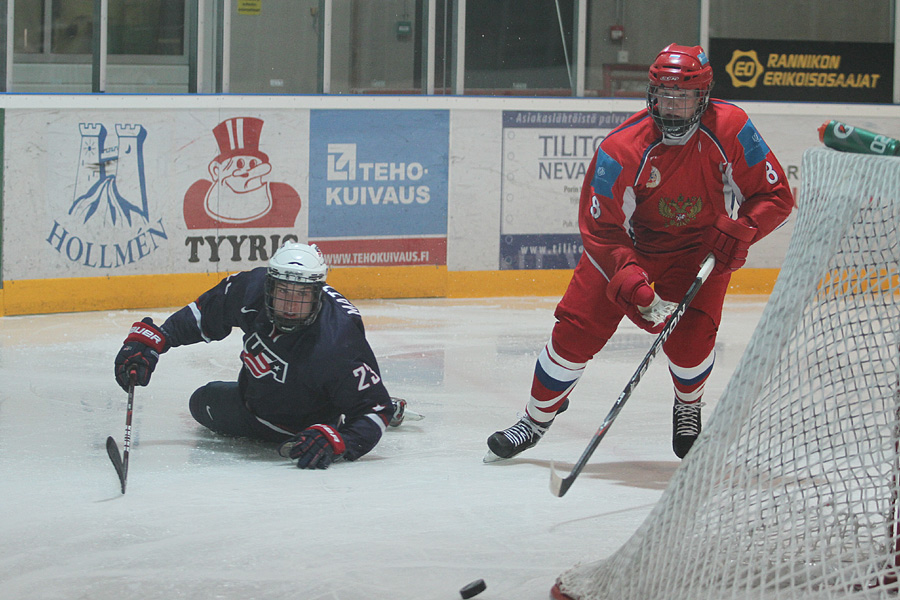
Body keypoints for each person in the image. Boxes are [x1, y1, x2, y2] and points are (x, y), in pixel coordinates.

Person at [486, 43, 794, 461]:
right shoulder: (620, 148)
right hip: (628, 250)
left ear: (702, 98)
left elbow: (773, 194)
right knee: (575, 331)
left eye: (682, 96)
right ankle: (535, 419)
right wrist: (630, 280)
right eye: (664, 95)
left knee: (691, 341)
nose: (671, 106)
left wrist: (743, 232)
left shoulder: (733, 128)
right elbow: (601, 229)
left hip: (699, 250)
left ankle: (688, 406)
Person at [114, 242, 406, 469]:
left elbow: (375, 410)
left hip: (302, 427)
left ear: (318, 294)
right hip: (250, 402)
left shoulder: (338, 341)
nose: (291, 305)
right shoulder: (251, 289)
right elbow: (203, 316)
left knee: (360, 401)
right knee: (200, 401)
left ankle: (346, 401)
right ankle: (348, 396)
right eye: (284, 293)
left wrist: (341, 440)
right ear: (269, 285)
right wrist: (154, 340)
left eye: (302, 296)